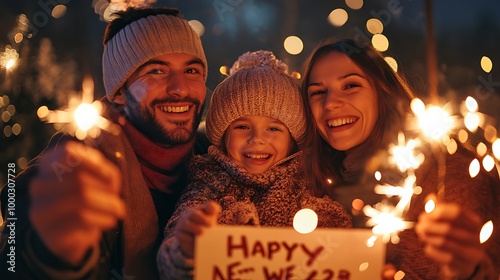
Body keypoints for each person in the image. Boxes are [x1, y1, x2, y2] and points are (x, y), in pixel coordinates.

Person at [0, 7, 209, 279]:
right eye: (156, 71)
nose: (180, 88)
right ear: (119, 92)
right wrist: (53, 252)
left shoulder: (220, 158)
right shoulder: (76, 164)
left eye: (192, 70)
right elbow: (13, 257)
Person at [300, 38, 500, 279]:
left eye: (351, 85)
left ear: (382, 91)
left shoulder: (450, 178)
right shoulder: (310, 187)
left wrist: (469, 268)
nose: (330, 103)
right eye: (318, 92)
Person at [156, 50, 352, 279]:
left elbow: (339, 243)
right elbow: (175, 244)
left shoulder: (307, 183)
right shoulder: (208, 183)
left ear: (292, 141)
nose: (257, 138)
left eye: (273, 128)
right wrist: (186, 248)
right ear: (223, 136)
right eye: (242, 127)